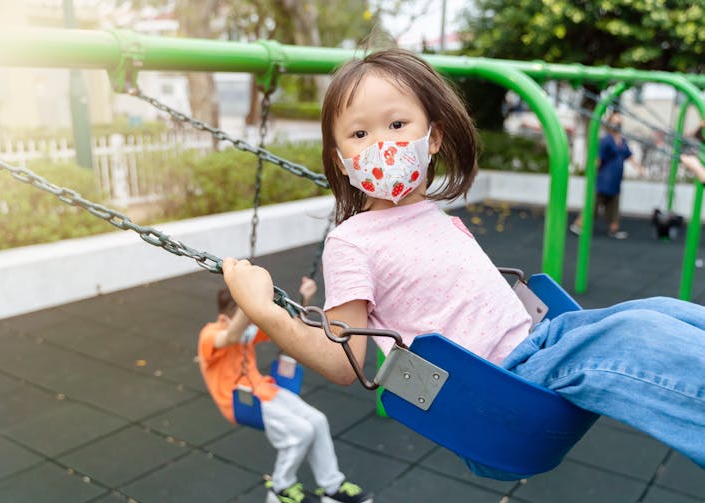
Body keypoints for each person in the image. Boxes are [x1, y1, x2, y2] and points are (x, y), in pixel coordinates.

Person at [220, 48, 705, 479]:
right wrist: (265, 311)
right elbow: (342, 359)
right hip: (503, 388)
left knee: (660, 309)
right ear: (343, 161)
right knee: (633, 334)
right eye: (360, 133)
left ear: (432, 138)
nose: (381, 146)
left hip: (539, 345)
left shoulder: (433, 212)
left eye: (396, 125)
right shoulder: (351, 242)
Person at [198, 278, 373, 503]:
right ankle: (281, 488)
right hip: (239, 401)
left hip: (265, 390)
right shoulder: (210, 334)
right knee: (301, 432)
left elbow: (288, 327)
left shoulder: (246, 330)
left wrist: (304, 299)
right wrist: (247, 300)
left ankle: (332, 487)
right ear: (226, 315)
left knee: (317, 421)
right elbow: (231, 336)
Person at [570, 111, 644, 239]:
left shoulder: (622, 140)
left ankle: (614, 230)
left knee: (613, 208)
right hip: (604, 179)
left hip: (615, 180)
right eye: (615, 122)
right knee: (593, 205)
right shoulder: (606, 140)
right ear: (609, 124)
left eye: (619, 122)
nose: (618, 125)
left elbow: (629, 155)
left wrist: (639, 168)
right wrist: (591, 172)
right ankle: (578, 225)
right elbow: (598, 159)